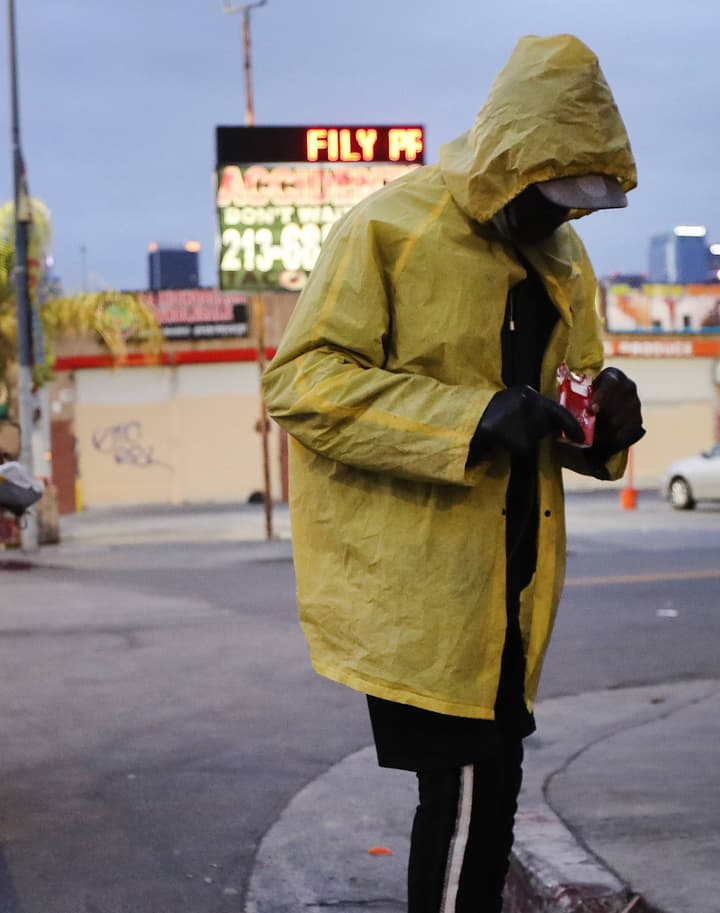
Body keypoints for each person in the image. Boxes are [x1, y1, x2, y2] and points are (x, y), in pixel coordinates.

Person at [261, 34, 645, 913]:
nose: (558, 226)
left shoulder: (564, 261)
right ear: (510, 167)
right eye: (545, 203)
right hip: (420, 584)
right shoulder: (389, 228)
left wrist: (605, 422)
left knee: (500, 779)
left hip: (516, 573)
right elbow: (303, 381)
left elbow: (568, 398)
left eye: (573, 211)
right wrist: (471, 416)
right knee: (447, 790)